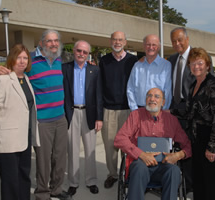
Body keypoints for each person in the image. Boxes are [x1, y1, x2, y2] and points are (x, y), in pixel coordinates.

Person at [0, 30, 69, 200]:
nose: (54, 44)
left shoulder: (59, 59)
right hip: (42, 120)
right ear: (41, 42)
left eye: (56, 40)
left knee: (60, 159)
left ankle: (56, 190)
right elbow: (14, 76)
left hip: (60, 117)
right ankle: (42, 193)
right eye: (50, 41)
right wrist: (2, 71)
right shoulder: (29, 60)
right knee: (43, 161)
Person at [114, 87, 192, 200]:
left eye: (157, 96)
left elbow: (187, 145)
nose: (152, 99)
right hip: (140, 164)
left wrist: (178, 155)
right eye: (149, 96)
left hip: (163, 166)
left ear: (163, 102)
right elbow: (120, 139)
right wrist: (141, 154)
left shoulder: (172, 120)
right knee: (139, 168)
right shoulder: (135, 116)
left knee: (174, 170)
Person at [0, 44, 40, 200]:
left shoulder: (26, 79)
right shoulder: (2, 79)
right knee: (10, 182)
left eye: (25, 58)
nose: (22, 61)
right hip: (8, 140)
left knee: (24, 177)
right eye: (18, 57)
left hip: (24, 138)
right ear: (12, 59)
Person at [168, 27, 215, 193]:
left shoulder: (200, 57)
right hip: (175, 111)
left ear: (187, 39)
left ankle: (193, 185)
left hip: (194, 113)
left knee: (194, 149)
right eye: (174, 41)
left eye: (180, 39)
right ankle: (184, 182)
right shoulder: (172, 59)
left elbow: (210, 83)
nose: (177, 43)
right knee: (181, 148)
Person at [62, 40, 103, 196]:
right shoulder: (65, 68)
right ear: (74, 51)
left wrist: (99, 118)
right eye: (79, 51)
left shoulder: (95, 70)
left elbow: (99, 95)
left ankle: (91, 181)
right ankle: (73, 182)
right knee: (72, 150)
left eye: (85, 52)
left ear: (88, 54)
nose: (81, 54)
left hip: (89, 114)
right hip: (71, 114)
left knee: (90, 150)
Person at [185, 47, 215, 200]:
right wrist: (169, 112)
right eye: (193, 63)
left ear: (208, 65)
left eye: (200, 63)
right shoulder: (192, 86)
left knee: (212, 184)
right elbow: (190, 113)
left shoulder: (213, 85)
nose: (196, 67)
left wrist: (212, 147)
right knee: (200, 181)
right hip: (197, 139)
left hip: (210, 139)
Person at [99, 31, 138, 188]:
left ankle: (127, 174)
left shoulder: (133, 61)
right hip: (109, 110)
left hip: (128, 110)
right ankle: (112, 174)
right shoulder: (104, 61)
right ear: (110, 41)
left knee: (128, 146)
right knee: (110, 146)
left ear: (125, 42)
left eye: (120, 39)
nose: (117, 42)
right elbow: (100, 86)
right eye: (115, 39)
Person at [127, 34, 172, 111]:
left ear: (159, 47)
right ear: (144, 46)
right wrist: (134, 110)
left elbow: (168, 91)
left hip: (158, 110)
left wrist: (164, 111)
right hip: (139, 110)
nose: (151, 47)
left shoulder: (166, 65)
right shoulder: (137, 66)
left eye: (154, 45)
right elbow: (130, 89)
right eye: (148, 44)